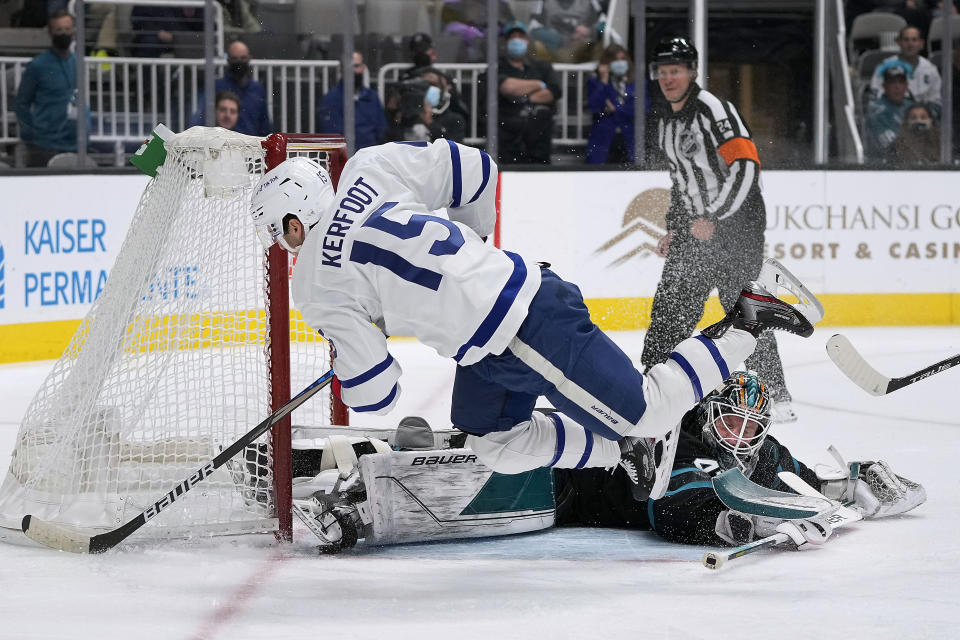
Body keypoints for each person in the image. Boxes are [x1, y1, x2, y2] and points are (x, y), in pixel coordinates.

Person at [249, 138, 819, 503]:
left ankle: (748, 315)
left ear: (291, 223)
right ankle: (620, 453)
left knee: (647, 410)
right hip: (499, 329)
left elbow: (375, 394)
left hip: (525, 331)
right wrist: (468, 255)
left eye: (279, 235)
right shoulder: (369, 170)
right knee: (493, 441)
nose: (284, 247)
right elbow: (476, 169)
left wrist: (356, 349)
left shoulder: (314, 284)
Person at [554, 370, 926, 547]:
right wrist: (733, 521)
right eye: (732, 421)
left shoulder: (762, 452)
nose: (740, 435)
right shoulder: (681, 440)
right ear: (708, 413)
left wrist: (854, 484)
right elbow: (673, 506)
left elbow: (802, 482)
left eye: (751, 427)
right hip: (564, 488)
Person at [640, 37, 798, 423]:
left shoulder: (712, 109)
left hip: (736, 229)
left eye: (675, 70)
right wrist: (676, 227)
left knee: (743, 309)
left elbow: (746, 166)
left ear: (692, 71)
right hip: (697, 231)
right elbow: (681, 181)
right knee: (670, 308)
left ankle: (775, 395)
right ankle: (651, 388)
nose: (667, 78)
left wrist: (715, 217)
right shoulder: (666, 121)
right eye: (661, 72)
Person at [14, 10, 91, 167]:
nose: (64, 33)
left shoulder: (78, 62)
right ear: (50, 33)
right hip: (44, 146)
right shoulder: (37, 65)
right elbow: (21, 103)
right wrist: (31, 135)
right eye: (59, 30)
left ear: (74, 31)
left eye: (68, 29)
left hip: (76, 144)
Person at [494, 21, 562, 164]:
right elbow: (507, 87)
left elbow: (553, 92)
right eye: (512, 37)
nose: (517, 40)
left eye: (520, 36)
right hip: (507, 134)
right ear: (506, 42)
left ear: (527, 40)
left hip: (538, 137)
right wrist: (538, 84)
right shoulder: (498, 66)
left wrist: (523, 96)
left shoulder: (542, 66)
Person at [187, 40, 273, 137]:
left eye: (243, 58)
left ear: (249, 58)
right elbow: (201, 118)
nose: (239, 62)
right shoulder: (216, 87)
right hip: (221, 144)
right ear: (228, 60)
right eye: (235, 59)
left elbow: (265, 124)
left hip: (252, 146)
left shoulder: (258, 89)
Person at [317, 51, 388, 150]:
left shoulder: (372, 97)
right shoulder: (331, 99)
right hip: (346, 157)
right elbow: (332, 136)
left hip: (372, 154)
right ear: (342, 69)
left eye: (356, 66)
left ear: (363, 68)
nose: (353, 71)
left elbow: (381, 128)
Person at [868, 25, 942, 118]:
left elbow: (936, 101)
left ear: (921, 44)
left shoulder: (931, 69)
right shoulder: (884, 66)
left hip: (922, 118)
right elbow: (876, 98)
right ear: (899, 42)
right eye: (906, 40)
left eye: (914, 40)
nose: (910, 44)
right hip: (891, 115)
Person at [585, 44, 636, 165]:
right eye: (615, 60)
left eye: (622, 59)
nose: (619, 63)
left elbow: (641, 108)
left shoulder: (637, 82)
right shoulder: (595, 82)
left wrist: (614, 108)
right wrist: (603, 80)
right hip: (604, 137)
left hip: (630, 136)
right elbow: (594, 106)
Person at [864, 61, 915, 157]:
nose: (897, 87)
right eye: (892, 82)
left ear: (906, 85)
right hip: (884, 165)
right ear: (884, 85)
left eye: (901, 82)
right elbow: (891, 147)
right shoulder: (876, 112)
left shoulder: (912, 107)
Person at [130, 5, 204, 58]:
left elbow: (195, 21)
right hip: (153, 38)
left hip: (179, 36)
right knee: (149, 42)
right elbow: (138, 20)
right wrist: (157, 32)